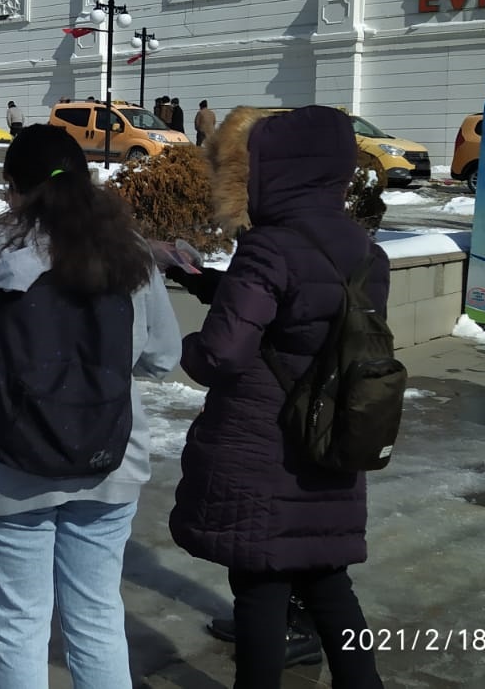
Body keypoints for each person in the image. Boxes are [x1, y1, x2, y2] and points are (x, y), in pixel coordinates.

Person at [0, 124, 182, 688]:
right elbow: (163, 356)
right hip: (109, 457)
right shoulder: (129, 250)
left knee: (20, 624)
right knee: (96, 615)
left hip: (8, 464)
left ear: (12, 188)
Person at [167, 105, 386, 689]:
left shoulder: (269, 247)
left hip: (264, 444)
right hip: (332, 434)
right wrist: (206, 281)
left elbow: (223, 353)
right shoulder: (364, 249)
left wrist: (176, 348)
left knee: (261, 585)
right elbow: (306, 313)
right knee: (326, 577)